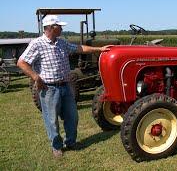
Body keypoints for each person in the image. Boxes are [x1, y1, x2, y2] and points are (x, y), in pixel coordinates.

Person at [17, 15, 113, 158]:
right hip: (49, 89)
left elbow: (79, 48)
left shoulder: (61, 42)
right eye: (59, 26)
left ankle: (71, 142)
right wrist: (36, 77)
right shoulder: (37, 44)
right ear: (50, 28)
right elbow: (22, 62)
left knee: (72, 116)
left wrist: (99, 49)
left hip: (66, 86)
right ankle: (56, 146)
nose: (62, 28)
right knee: (52, 119)